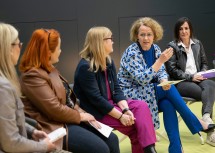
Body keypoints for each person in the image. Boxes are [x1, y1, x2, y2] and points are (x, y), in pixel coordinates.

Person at [117, 17, 215, 153]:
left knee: (168, 104)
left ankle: (175, 149)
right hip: (132, 94)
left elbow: (161, 72)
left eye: (149, 34)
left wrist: (163, 81)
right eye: (142, 35)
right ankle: (196, 122)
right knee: (169, 92)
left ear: (154, 35)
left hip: (150, 92)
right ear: (136, 36)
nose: (146, 38)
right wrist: (160, 61)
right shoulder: (131, 52)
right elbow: (142, 79)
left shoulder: (156, 48)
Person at [19, 28, 120, 153]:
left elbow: (68, 100)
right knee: (101, 149)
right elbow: (54, 110)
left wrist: (82, 112)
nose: (60, 51)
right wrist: (81, 116)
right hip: (56, 125)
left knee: (112, 139)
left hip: (69, 119)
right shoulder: (32, 76)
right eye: (59, 48)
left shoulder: (51, 70)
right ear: (48, 51)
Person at [73, 26, 157, 153]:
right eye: (110, 38)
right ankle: (149, 150)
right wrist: (121, 116)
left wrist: (125, 109)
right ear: (100, 42)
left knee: (142, 106)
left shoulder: (108, 61)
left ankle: (150, 148)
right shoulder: (85, 67)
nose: (112, 41)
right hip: (98, 112)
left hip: (112, 104)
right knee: (135, 127)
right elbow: (97, 100)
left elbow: (117, 90)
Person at [0, 23, 56, 153]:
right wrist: (44, 147)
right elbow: (11, 143)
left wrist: (31, 131)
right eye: (19, 44)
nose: (21, 48)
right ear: (7, 48)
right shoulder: (4, 87)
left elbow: (6, 122)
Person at [165, 16, 215, 146]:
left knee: (211, 84)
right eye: (181, 29)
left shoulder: (197, 44)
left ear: (190, 30)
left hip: (198, 78)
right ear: (177, 31)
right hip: (181, 82)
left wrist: (202, 73)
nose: (184, 31)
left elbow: (204, 63)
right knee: (208, 94)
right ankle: (211, 132)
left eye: (186, 28)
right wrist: (190, 77)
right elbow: (172, 70)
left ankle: (206, 117)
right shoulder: (173, 46)